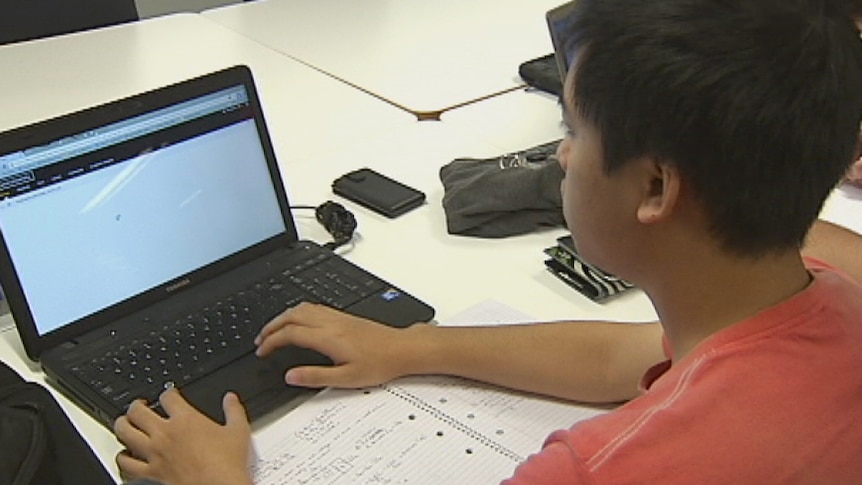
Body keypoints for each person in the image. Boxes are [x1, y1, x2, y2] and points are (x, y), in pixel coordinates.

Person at [113, 0, 862, 483]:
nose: (561, 157)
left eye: (574, 130)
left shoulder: (599, 468)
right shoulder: (828, 283)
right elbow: (624, 354)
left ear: (656, 190)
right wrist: (416, 346)